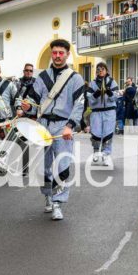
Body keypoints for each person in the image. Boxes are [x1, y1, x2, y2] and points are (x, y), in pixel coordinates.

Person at [20, 39, 85, 221]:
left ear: (67, 54)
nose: (57, 56)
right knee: (42, 167)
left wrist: (70, 126)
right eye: (54, 53)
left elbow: (80, 104)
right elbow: (33, 100)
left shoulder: (75, 78)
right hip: (43, 125)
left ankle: (58, 203)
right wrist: (27, 107)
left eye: (61, 53)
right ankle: (48, 196)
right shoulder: (42, 77)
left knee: (62, 165)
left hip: (63, 126)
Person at [85, 62, 118, 166]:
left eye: (102, 69)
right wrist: (96, 94)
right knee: (96, 133)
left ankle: (106, 155)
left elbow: (116, 97)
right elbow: (89, 98)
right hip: (96, 111)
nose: (100, 71)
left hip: (109, 111)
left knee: (108, 133)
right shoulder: (92, 83)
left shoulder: (112, 82)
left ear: (106, 70)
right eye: (98, 69)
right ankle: (96, 151)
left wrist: (109, 92)